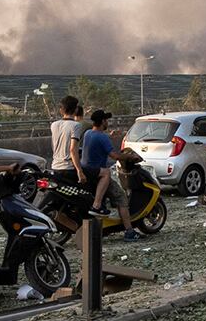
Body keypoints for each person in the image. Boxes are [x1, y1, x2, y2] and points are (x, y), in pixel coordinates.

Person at [79, 110, 143, 241]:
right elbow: (115, 155)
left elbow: (99, 144)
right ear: (103, 121)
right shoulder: (102, 137)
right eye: (106, 120)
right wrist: (131, 157)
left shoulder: (88, 133)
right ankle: (129, 232)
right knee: (121, 197)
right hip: (98, 173)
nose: (107, 122)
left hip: (87, 170)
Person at [49, 95, 87, 182]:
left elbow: (54, 146)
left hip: (55, 167)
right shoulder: (76, 125)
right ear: (76, 109)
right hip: (68, 168)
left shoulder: (54, 125)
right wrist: (79, 171)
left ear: (61, 110)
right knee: (103, 173)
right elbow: (73, 150)